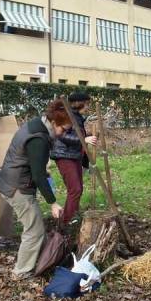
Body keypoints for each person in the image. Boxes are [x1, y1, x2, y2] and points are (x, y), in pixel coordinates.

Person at [0, 99, 71, 279]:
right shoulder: (39, 138)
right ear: (54, 122)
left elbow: (35, 166)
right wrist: (53, 202)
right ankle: (21, 271)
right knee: (34, 231)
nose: (63, 134)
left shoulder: (37, 125)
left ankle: (45, 259)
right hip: (17, 187)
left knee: (36, 226)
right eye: (63, 129)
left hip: (12, 181)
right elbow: (37, 175)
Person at [50, 92, 97, 225]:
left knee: (78, 189)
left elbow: (75, 134)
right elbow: (61, 135)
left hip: (74, 155)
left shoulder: (77, 116)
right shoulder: (66, 114)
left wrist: (87, 137)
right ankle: (65, 222)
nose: (88, 107)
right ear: (79, 103)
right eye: (87, 104)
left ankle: (73, 216)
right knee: (75, 189)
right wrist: (84, 139)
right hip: (64, 155)